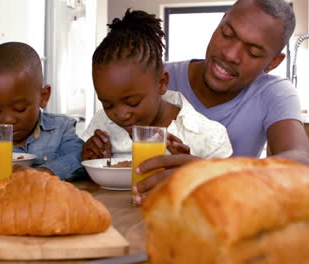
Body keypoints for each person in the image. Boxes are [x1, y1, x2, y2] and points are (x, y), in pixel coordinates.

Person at [133, 0, 309, 204]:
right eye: (227, 34)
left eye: (252, 52)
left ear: (273, 62)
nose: (230, 54)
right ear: (219, 23)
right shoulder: (160, 79)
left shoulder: (274, 92)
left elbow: (301, 163)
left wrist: (214, 174)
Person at [81, 10, 232, 164]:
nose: (120, 114)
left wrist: (192, 171)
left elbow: (224, 186)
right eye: (108, 105)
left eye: (133, 102)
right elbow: (82, 178)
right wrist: (89, 158)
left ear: (161, 83)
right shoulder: (102, 124)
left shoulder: (211, 137)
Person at [0, 42, 84, 181]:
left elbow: (79, 157)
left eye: (20, 109)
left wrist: (44, 173)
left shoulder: (60, 129)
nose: (7, 120)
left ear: (43, 97)